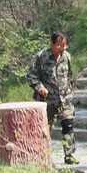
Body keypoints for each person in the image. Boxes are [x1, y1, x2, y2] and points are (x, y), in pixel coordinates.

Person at [26, 32, 78, 164]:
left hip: (64, 99)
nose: (62, 48)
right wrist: (40, 88)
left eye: (64, 45)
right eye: (60, 45)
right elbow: (31, 76)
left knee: (68, 125)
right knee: (44, 129)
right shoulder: (41, 57)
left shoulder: (66, 57)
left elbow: (70, 76)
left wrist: (70, 91)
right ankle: (43, 156)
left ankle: (69, 155)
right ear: (52, 44)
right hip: (47, 101)